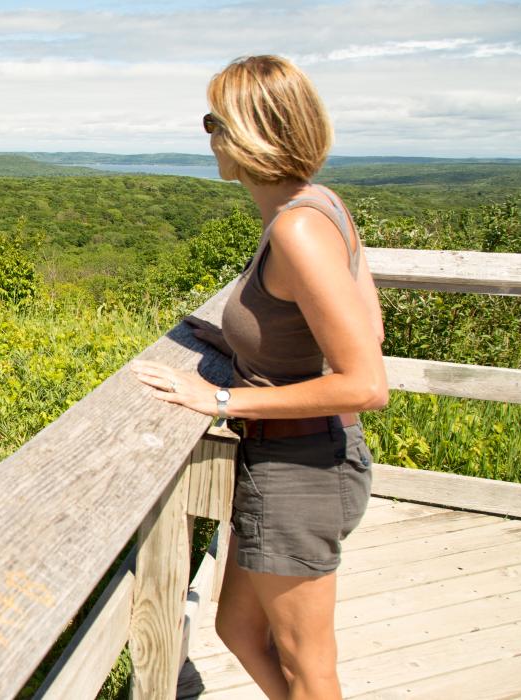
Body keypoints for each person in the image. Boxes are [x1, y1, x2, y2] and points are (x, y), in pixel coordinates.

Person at [131, 55, 387, 700]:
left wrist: (219, 396)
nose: (209, 136)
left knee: (309, 669)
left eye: (214, 122)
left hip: (302, 469)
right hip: (300, 456)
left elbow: (366, 381)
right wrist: (248, 347)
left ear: (250, 133)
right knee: (239, 627)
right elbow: (366, 325)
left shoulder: (299, 228)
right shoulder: (320, 207)